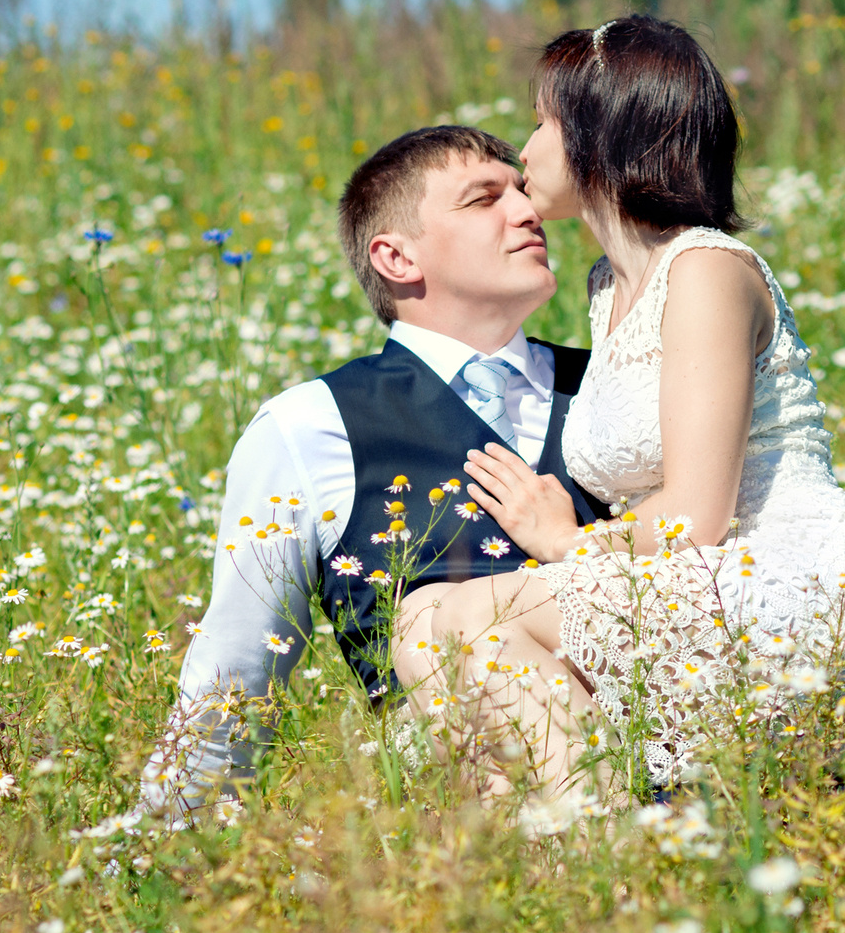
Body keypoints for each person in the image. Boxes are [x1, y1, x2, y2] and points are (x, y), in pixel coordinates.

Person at [395, 15, 845, 808]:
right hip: (696, 588)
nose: (526, 148)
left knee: (463, 619)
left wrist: (571, 543)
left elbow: (698, 516)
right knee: (425, 626)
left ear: (597, 135)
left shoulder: (708, 268)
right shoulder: (606, 291)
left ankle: (609, 863)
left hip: (794, 583)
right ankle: (569, 857)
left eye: (542, 123)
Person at [136, 124, 609, 827]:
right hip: (468, 834)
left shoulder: (613, 387)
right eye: (483, 200)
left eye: (520, 189)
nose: (526, 210)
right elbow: (236, 677)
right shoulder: (310, 427)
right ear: (395, 256)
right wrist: (155, 861)